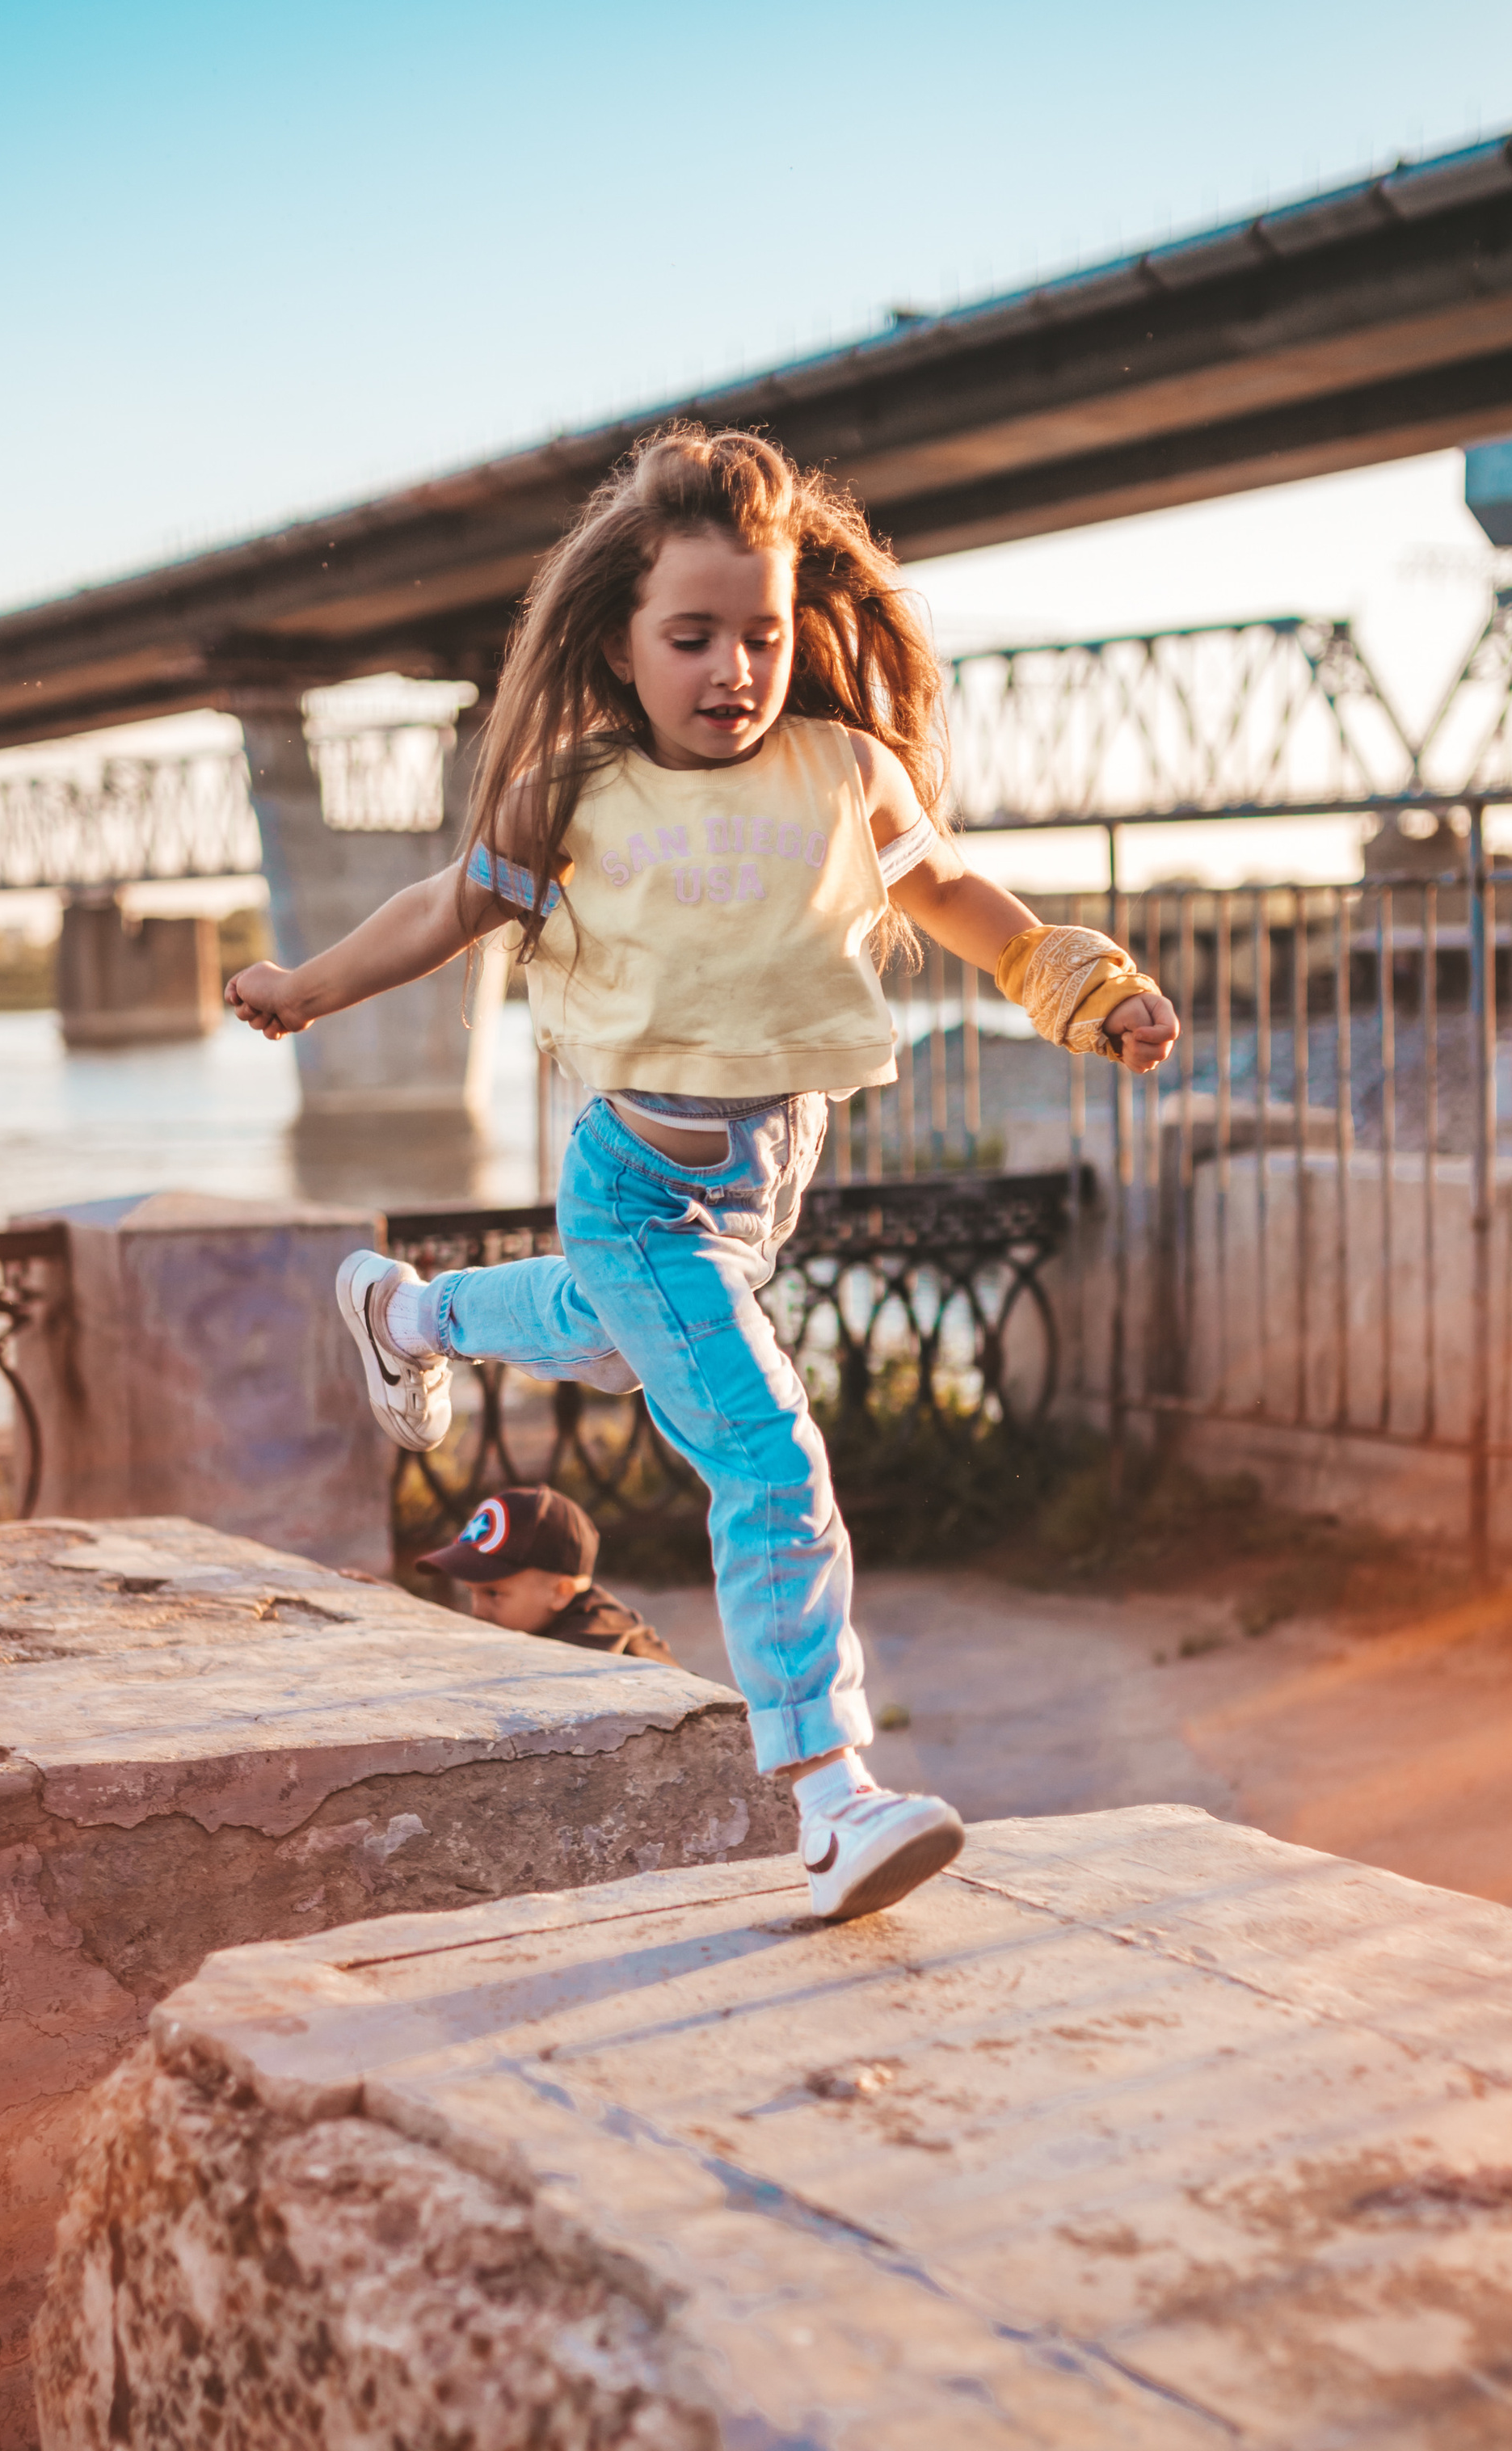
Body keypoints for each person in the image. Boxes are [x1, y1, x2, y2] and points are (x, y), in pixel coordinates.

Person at [227, 427, 1177, 1922]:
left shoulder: (842, 771)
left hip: (755, 1197)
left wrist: (1083, 984)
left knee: (603, 1337)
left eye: (764, 633)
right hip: (639, 1187)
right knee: (768, 1456)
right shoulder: (574, 796)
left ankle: (405, 1318)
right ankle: (830, 1797)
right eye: (694, 636)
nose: (734, 665)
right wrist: (308, 987)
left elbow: (960, 900)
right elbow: (437, 908)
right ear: (621, 638)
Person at [417, 1484, 678, 1665]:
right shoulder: (541, 1622)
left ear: (560, 1593)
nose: (478, 1612)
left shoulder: (591, 1637)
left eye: (494, 1593)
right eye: (471, 1593)